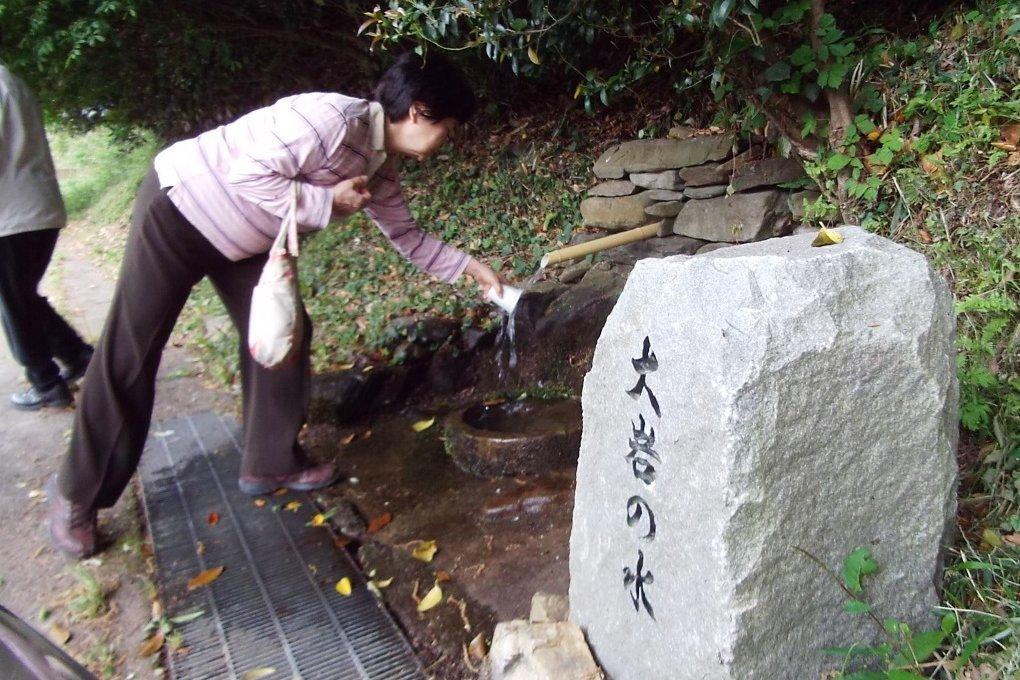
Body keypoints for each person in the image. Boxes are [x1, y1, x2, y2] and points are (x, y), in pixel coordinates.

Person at [48, 53, 505, 558]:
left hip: (244, 242)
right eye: (449, 126)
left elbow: (407, 237)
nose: (448, 140)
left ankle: (269, 460)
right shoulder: (328, 120)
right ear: (419, 110)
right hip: (181, 210)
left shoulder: (383, 168)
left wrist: (470, 268)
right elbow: (248, 174)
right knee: (131, 351)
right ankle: (78, 496)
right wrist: (327, 202)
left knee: (286, 333)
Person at [0, 62, 94, 410]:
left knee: (14, 304)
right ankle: (79, 356)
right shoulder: (10, 79)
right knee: (22, 298)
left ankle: (46, 385)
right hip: (32, 209)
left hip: (12, 216)